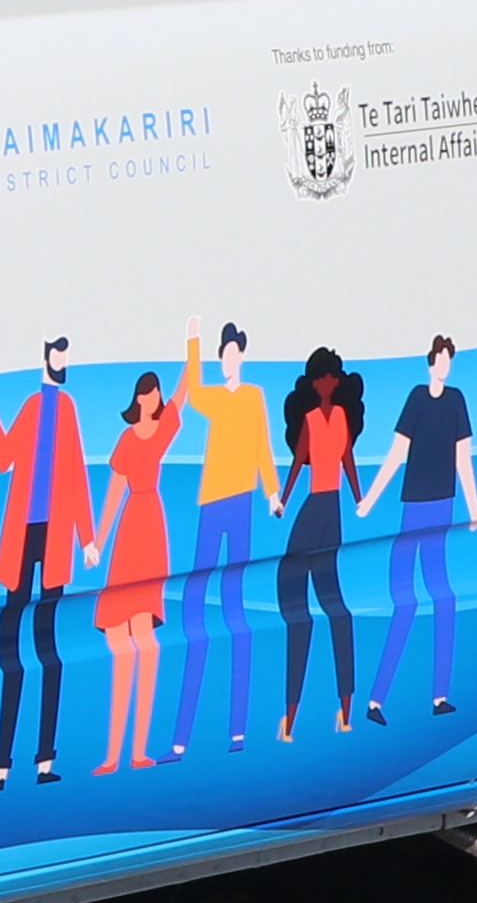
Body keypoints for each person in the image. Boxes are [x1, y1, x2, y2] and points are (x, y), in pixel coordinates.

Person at [0, 336, 85, 792]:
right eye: (58, 355)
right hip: (23, 539)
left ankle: (44, 760)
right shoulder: (33, 407)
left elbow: (76, 472)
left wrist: (89, 538)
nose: (63, 363)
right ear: (45, 359)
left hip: (54, 538)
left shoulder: (69, 408)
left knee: (49, 650)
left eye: (66, 356)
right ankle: (0, 766)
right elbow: (2, 458)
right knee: (8, 652)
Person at [170, 325, 277, 760]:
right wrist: (192, 341)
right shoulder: (216, 396)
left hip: (242, 505)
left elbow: (262, 446)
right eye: (225, 355)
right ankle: (180, 738)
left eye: (235, 353)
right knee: (195, 614)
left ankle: (237, 731)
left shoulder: (253, 396)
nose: (230, 360)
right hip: (211, 504)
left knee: (237, 613)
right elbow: (193, 392)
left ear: (243, 356)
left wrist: (272, 492)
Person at [276, 342, 371, 742]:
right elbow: (299, 461)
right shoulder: (312, 419)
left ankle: (344, 709)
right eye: (321, 378)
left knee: (333, 610)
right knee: (303, 611)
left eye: (331, 376)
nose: (326, 383)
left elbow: (347, 458)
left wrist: (359, 496)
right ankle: (292, 716)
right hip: (315, 509)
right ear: (314, 384)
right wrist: (282, 498)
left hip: (329, 512)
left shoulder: (342, 418)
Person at [380, 334, 477, 717]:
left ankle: (439, 696)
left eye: (448, 360)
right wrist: (370, 499)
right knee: (404, 600)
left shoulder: (456, 400)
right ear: (430, 361)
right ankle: (376, 699)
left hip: (443, 508)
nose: (444, 365)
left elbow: (464, 459)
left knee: (444, 598)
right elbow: (396, 453)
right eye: (440, 359)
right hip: (414, 509)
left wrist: (474, 509)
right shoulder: (417, 398)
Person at [90, 367, 181, 772]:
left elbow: (186, 392)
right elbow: (112, 492)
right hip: (128, 530)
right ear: (139, 397)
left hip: (149, 526)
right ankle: (113, 753)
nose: (156, 397)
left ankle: (138, 750)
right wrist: (97, 540)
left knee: (144, 637)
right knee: (118, 639)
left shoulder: (161, 432)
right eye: (150, 392)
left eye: (158, 392)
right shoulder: (127, 438)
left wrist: (192, 345)